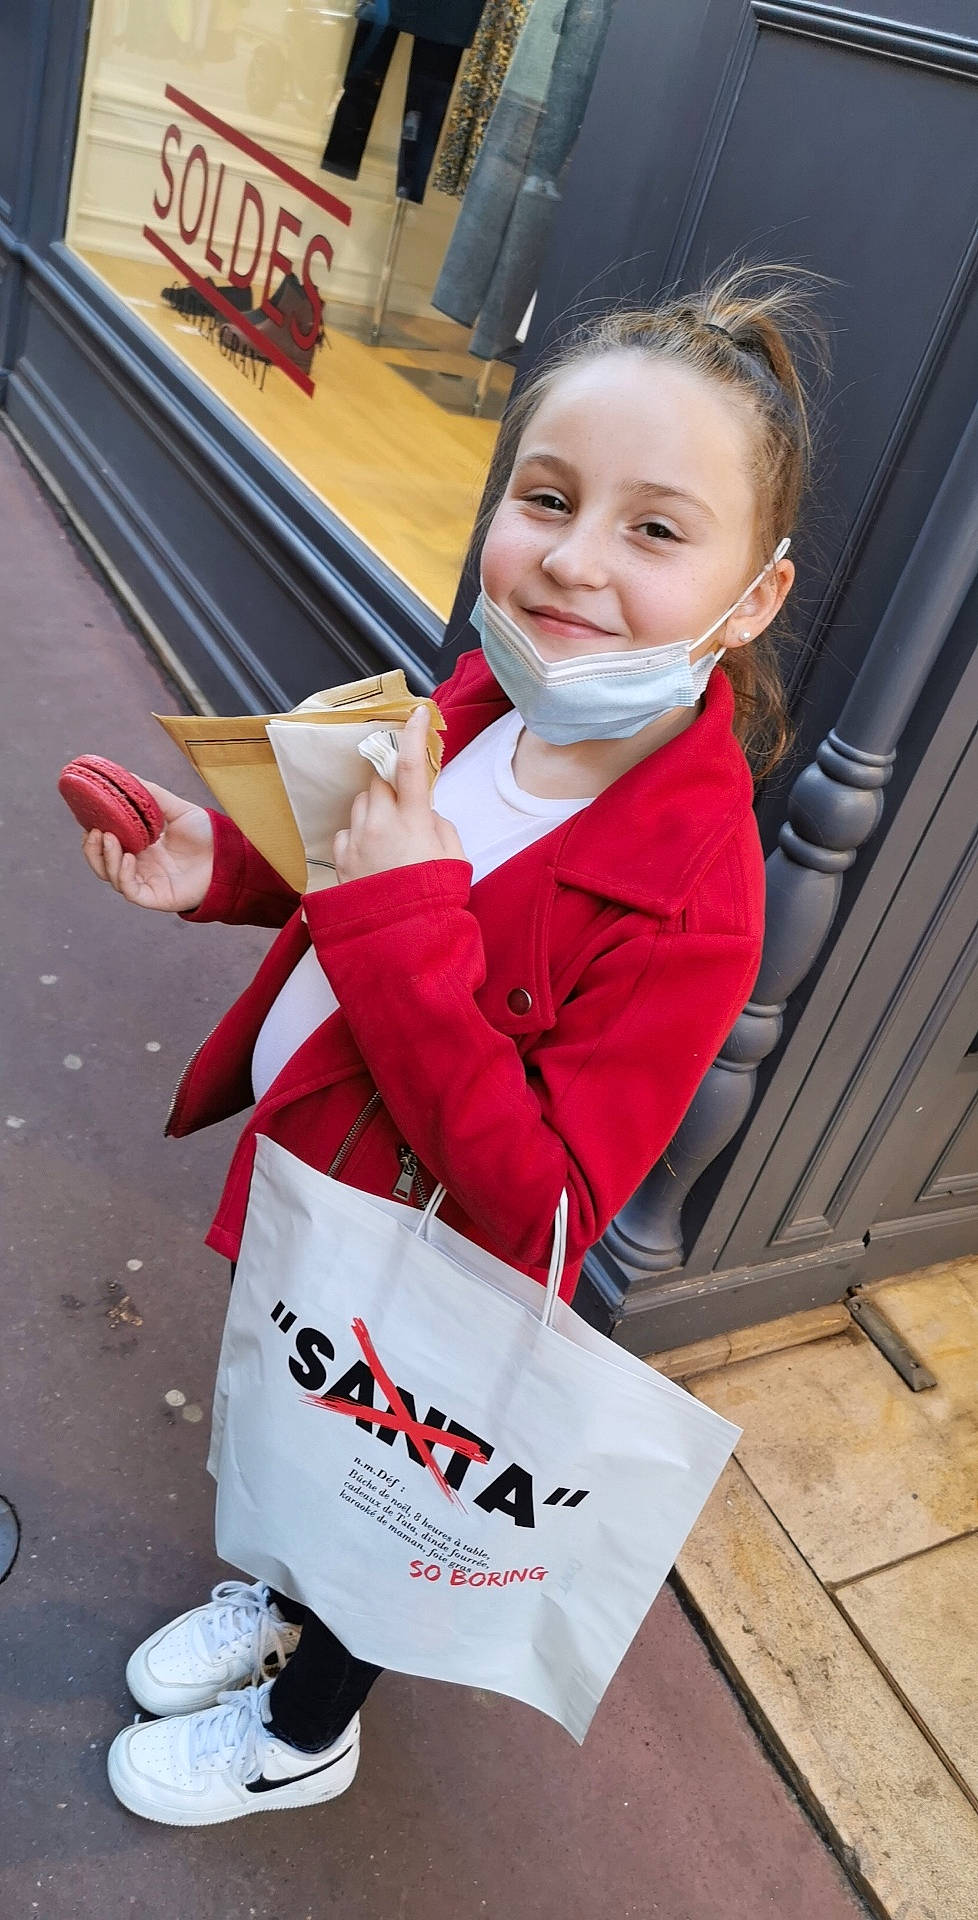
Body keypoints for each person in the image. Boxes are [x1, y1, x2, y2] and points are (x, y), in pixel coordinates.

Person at [81, 265, 816, 1826]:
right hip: (314, 1181)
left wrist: (406, 912)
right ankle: (275, 1597)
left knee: (384, 1494)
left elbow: (543, 1198)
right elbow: (356, 867)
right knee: (289, 1436)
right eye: (545, 496)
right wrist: (219, 867)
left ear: (753, 598)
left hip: (434, 1269)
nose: (572, 560)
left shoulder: (697, 896)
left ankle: (307, 1723)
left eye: (656, 529)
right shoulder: (484, 700)